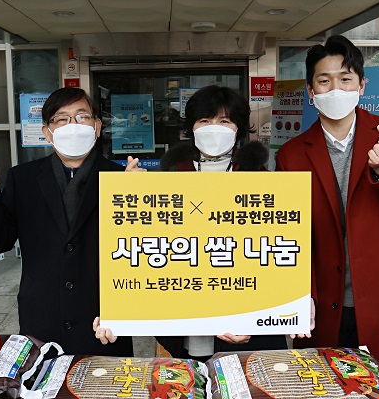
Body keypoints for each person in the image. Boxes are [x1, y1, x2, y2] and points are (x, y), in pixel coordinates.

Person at [275, 36, 379, 363]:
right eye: (324, 81)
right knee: (326, 378)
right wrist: (300, 294)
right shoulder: (291, 155)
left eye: (346, 79)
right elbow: (290, 233)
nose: (336, 89)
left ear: (362, 86)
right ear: (310, 91)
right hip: (324, 302)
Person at [94, 85, 287, 361]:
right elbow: (142, 249)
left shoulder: (265, 183)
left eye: (224, 121)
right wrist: (131, 194)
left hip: (242, 322)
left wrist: (255, 320)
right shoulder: (171, 177)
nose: (214, 128)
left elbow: (274, 258)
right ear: (192, 128)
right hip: (182, 318)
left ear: (239, 129)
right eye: (205, 121)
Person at [0, 87, 144, 356]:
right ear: (47, 132)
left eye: (82, 117)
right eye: (61, 119)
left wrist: (139, 196)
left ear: (97, 127)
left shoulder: (122, 179)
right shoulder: (22, 178)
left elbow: (143, 252)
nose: (73, 125)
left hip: (103, 321)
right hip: (42, 318)